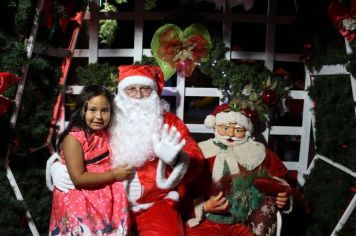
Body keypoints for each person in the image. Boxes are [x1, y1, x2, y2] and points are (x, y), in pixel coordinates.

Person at [46, 65, 205, 235]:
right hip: (106, 202)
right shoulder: (107, 119)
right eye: (131, 89)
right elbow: (80, 142)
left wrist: (177, 159)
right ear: (121, 93)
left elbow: (196, 158)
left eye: (145, 89)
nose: (138, 95)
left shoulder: (169, 123)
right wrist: (56, 165)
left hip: (154, 203)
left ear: (154, 93)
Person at [184, 103, 293, 236]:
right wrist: (203, 207)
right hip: (206, 221)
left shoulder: (257, 153)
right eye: (225, 128)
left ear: (246, 131)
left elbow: (279, 175)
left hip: (243, 222)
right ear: (216, 126)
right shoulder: (201, 152)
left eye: (237, 130)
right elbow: (182, 189)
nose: (230, 134)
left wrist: (283, 194)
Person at [48, 85, 132, 235]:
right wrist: (114, 176)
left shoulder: (105, 134)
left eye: (104, 110)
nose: (99, 116)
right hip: (80, 200)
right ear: (82, 110)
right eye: (93, 110)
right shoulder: (73, 139)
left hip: (104, 199)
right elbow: (79, 178)